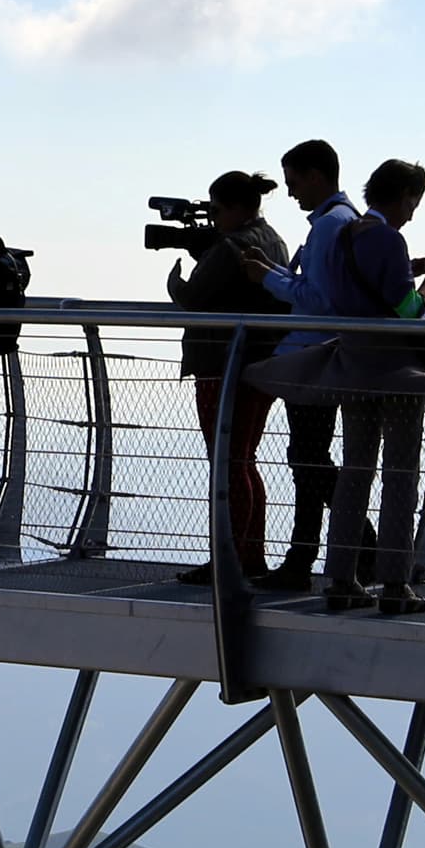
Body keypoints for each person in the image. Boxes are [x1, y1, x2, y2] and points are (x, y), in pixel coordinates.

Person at [320, 159, 425, 615]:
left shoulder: (346, 235)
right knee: (400, 475)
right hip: (396, 371)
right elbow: (407, 311)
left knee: (355, 472)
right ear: (402, 195)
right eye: (414, 201)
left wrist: (408, 267)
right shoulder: (389, 239)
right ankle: (395, 583)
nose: (413, 212)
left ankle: (341, 576)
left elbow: (359, 292)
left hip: (354, 364)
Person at [162, 170, 289, 583]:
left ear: (235, 208)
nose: (212, 217)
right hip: (261, 361)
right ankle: (249, 556)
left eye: (216, 209)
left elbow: (197, 297)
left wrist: (175, 284)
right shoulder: (272, 239)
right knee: (243, 461)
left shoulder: (232, 245)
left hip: (223, 363)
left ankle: (228, 559)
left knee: (227, 464)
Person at [262, 138, 360, 590]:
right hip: (329, 353)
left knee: (306, 457)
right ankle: (342, 549)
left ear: (317, 175)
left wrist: (264, 278)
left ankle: (341, 549)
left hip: (312, 355)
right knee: (310, 457)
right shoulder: (344, 220)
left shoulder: (328, 226)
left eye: (295, 181)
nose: (291, 191)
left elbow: (319, 301)